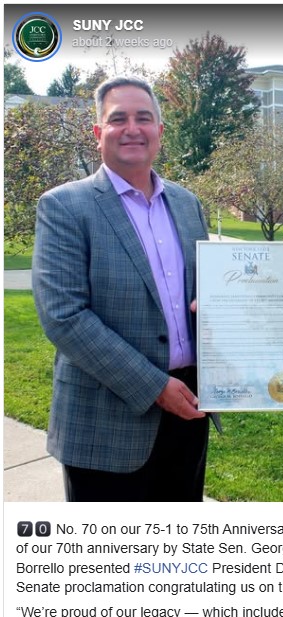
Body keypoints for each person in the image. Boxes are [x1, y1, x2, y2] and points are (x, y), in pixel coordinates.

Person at [32, 76, 217, 502]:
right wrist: (154, 386)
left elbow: (207, 289)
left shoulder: (188, 204)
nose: (132, 128)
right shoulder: (64, 206)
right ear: (98, 134)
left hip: (189, 406)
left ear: (160, 132)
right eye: (118, 119)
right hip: (105, 421)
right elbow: (64, 317)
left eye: (144, 118)